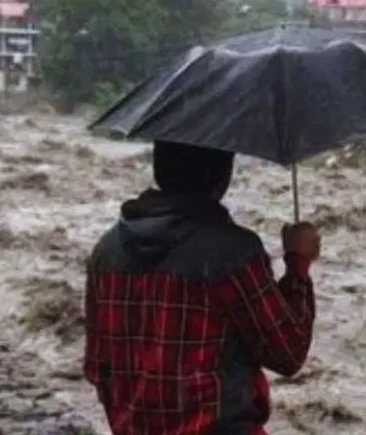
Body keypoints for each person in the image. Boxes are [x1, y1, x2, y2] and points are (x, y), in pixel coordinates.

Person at [84, 140, 320, 435]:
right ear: (222, 176)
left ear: (159, 168)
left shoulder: (106, 251)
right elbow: (288, 353)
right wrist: (298, 264)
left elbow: (96, 368)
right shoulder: (233, 253)